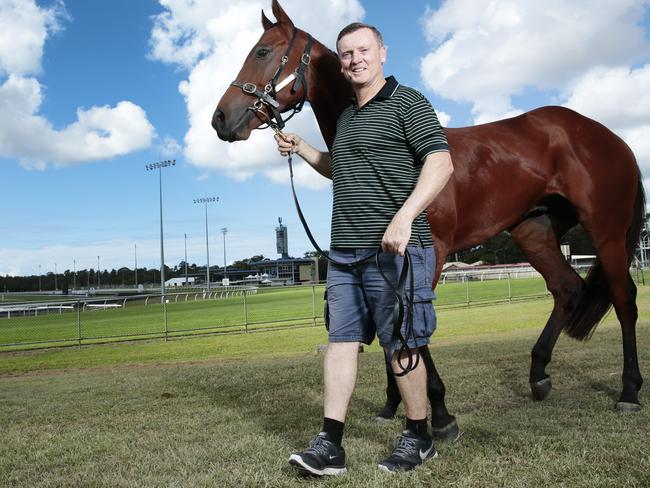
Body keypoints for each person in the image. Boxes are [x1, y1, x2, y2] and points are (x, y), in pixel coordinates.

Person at [275, 22, 453, 475]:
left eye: (362, 50)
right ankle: (329, 444)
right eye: (346, 54)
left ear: (382, 53)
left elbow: (440, 161)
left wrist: (406, 214)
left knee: (402, 344)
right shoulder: (348, 118)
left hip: (395, 251)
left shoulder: (407, 102)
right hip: (345, 254)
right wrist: (304, 149)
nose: (355, 59)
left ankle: (418, 437)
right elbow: (340, 167)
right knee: (340, 343)